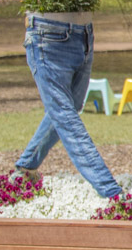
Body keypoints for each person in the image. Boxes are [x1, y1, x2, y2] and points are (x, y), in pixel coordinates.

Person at [13, 12, 121, 198]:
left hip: (84, 33)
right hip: (48, 35)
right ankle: (111, 192)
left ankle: (26, 167)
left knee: (71, 105)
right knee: (65, 115)